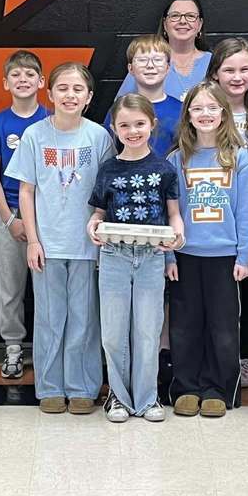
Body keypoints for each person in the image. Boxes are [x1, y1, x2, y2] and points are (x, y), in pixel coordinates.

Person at [6, 63, 115, 415]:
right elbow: (26, 191)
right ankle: (50, 386)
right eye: (63, 88)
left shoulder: (98, 137)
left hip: (86, 244)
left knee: (84, 319)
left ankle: (83, 387)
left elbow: (107, 192)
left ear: (89, 97)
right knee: (50, 318)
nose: (70, 95)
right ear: (49, 94)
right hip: (47, 244)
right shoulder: (35, 136)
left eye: (78, 89)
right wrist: (33, 240)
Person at [87, 94, 182, 423]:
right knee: (113, 331)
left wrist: (177, 234)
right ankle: (117, 395)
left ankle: (147, 397)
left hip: (151, 257)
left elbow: (173, 213)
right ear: (114, 128)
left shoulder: (164, 168)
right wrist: (93, 224)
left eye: (139, 124)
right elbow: (99, 211)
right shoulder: (108, 168)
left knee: (146, 330)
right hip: (114, 255)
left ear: (152, 125)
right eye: (124, 125)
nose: (132, 131)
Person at [164, 82, 248, 418]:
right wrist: (169, 254)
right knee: (185, 325)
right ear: (188, 115)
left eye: (211, 108)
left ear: (223, 113)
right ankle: (186, 387)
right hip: (185, 256)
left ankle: (218, 388)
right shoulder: (177, 159)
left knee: (223, 326)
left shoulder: (238, 157)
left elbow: (245, 210)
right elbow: (170, 214)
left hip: (224, 257)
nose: (205, 114)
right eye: (197, 108)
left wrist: (243, 255)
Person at [205, 37, 248, 390]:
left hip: (246, 216)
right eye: (229, 69)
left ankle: (243, 356)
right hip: (209, 217)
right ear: (215, 74)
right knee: (210, 291)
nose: (237, 76)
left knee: (246, 291)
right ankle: (210, 355)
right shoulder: (204, 109)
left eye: (244, 69)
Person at [0, 50, 48, 378]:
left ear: (41, 81)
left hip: (46, 217)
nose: (22, 80)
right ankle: (12, 347)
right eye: (16, 75)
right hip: (9, 215)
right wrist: (9, 219)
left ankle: (45, 349)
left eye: (29, 74)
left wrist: (36, 219)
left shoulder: (51, 119)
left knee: (46, 287)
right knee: (10, 287)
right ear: (5, 82)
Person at [117, 0, 212, 101]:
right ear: (165, 24)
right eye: (175, 16)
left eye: (190, 16)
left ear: (199, 25)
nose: (183, 21)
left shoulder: (212, 62)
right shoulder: (146, 61)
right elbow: (119, 109)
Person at [107, 35, 182, 157]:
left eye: (157, 59)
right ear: (130, 68)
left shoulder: (181, 110)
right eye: (142, 60)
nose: (150, 65)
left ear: (168, 67)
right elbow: (110, 152)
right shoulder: (119, 109)